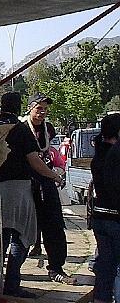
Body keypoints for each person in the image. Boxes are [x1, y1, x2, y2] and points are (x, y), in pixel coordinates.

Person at [0, 92, 63, 299]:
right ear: (21, 106)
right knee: (21, 238)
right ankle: (12, 284)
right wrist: (55, 177)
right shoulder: (20, 129)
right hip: (18, 189)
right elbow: (35, 161)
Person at [24, 94, 75, 284]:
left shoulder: (48, 129)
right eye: (39, 108)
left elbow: (46, 154)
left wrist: (53, 175)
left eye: (45, 108)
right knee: (18, 230)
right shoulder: (22, 129)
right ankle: (10, 275)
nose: (42, 112)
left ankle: (56, 268)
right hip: (26, 182)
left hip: (45, 182)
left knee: (54, 225)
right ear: (30, 108)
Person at [89, 113, 120, 303]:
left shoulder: (99, 154)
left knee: (105, 267)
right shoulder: (115, 154)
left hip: (100, 217)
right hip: (115, 218)